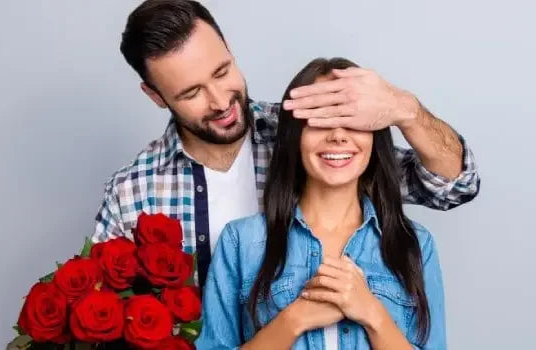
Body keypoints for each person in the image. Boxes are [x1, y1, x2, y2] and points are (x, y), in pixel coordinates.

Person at [91, 0, 479, 288]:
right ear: (156, 96)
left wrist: (406, 110)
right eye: (191, 92)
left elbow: (452, 187)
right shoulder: (133, 192)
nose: (220, 101)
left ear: (230, 50)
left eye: (222, 71)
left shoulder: (306, 132)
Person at [197, 57, 446, 350]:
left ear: (375, 137)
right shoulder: (241, 242)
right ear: (294, 137)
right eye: (319, 120)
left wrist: (373, 315)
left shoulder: (415, 244)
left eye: (352, 121)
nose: (338, 135)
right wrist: (294, 319)